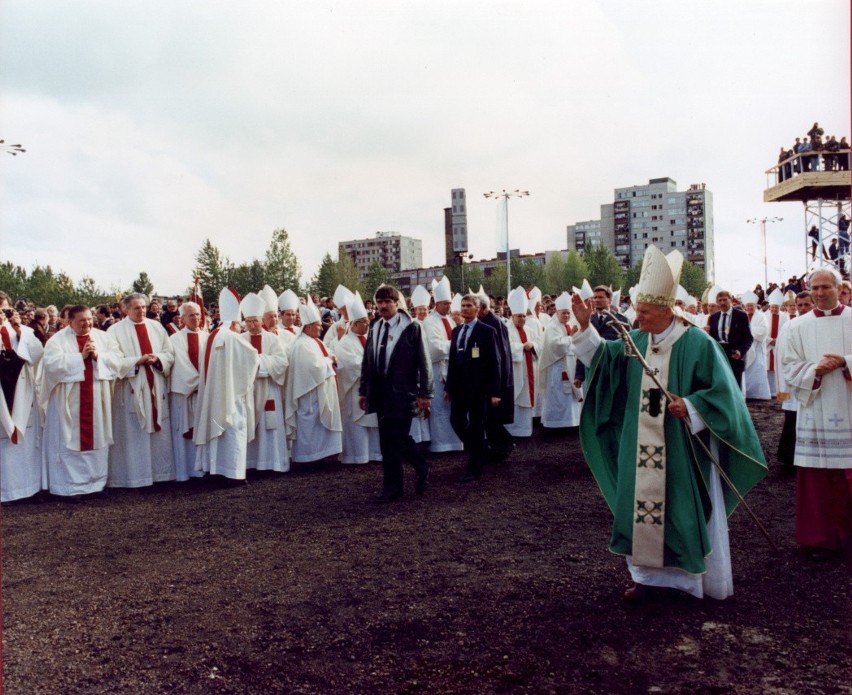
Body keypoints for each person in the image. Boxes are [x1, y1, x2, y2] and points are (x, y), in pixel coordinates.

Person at [571, 245, 767, 601]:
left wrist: (692, 406)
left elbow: (725, 395)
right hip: (638, 443)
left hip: (681, 446)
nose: (638, 317)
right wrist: (586, 329)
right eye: (637, 311)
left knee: (679, 509)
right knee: (638, 509)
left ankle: (684, 584)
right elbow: (605, 359)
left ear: (665, 309)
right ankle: (646, 579)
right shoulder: (636, 340)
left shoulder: (698, 343)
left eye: (644, 312)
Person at [780, 268, 852, 560]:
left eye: (826, 287)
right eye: (815, 288)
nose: (820, 293)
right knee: (816, 477)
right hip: (815, 407)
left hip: (847, 406)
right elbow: (787, 364)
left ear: (838, 288)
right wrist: (813, 370)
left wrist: (845, 362)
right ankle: (819, 539)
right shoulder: (797, 326)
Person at [358, 285, 432, 501]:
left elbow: (424, 361)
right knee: (386, 443)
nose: (383, 306)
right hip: (380, 393)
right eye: (379, 302)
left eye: (387, 302)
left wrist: (425, 393)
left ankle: (422, 466)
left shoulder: (411, 327)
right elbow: (367, 360)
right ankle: (392, 488)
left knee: (398, 437)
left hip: (403, 392)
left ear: (397, 303)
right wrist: (364, 390)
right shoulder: (375, 326)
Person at [40, 305, 120, 499]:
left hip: (96, 397)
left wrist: (98, 357)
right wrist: (80, 358)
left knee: (97, 438)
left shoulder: (102, 337)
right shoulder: (57, 340)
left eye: (89, 319)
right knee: (69, 439)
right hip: (68, 400)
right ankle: (70, 487)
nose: (87, 324)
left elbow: (117, 359)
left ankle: (96, 484)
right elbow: (50, 365)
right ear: (69, 321)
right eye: (82, 321)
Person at [108, 293, 175, 488]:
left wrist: (158, 359)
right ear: (125, 310)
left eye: (144, 307)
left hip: (155, 383)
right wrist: (137, 361)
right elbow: (113, 359)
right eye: (137, 308)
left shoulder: (156, 327)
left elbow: (169, 353)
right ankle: (135, 477)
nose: (142, 311)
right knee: (133, 431)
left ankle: (160, 474)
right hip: (132, 386)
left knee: (158, 430)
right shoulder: (115, 331)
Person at [194, 288, 260, 481]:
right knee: (233, 428)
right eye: (240, 323)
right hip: (232, 394)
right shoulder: (232, 337)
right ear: (235, 322)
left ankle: (214, 469)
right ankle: (232, 473)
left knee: (216, 428)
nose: (241, 327)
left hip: (214, 393)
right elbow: (252, 359)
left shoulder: (212, 335)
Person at [445, 293, 501, 482]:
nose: (465, 309)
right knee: (456, 420)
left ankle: (474, 469)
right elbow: (452, 362)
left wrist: (494, 391)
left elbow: (495, 362)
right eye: (463, 305)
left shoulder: (487, 331)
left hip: (479, 389)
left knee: (477, 426)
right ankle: (480, 450)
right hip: (459, 388)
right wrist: (449, 387)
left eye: (469, 305)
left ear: (477, 309)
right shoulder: (456, 331)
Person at [285, 297, 343, 464]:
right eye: (318, 326)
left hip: (320, 391)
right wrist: (330, 361)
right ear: (309, 326)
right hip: (309, 394)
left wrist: (330, 357)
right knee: (311, 426)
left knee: (320, 427)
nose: (320, 329)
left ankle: (324, 455)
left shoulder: (314, 341)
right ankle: (309, 458)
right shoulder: (302, 344)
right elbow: (313, 368)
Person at [240, 292, 290, 473]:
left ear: (262, 320)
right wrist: (257, 364)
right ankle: (251, 463)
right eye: (248, 321)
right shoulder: (241, 339)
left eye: (255, 321)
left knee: (270, 425)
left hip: (269, 387)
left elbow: (282, 362)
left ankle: (272, 462)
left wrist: (259, 362)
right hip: (249, 388)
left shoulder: (272, 339)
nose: (252, 325)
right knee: (251, 420)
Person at [0, 306, 45, 502]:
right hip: (4, 391)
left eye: (3, 312)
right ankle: (7, 492)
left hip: (21, 390)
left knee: (24, 440)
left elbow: (36, 354)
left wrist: (20, 333)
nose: (3, 315)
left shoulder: (19, 332)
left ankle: (27, 489)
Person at [335, 292, 382, 464]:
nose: (366, 323)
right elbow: (350, 365)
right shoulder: (345, 342)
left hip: (373, 387)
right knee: (358, 421)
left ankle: (376, 454)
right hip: (356, 388)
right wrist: (372, 368)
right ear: (353, 324)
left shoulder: (371, 338)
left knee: (373, 419)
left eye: (367, 320)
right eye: (362, 321)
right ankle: (357, 455)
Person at [421, 276, 463, 453]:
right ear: (436, 303)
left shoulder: (450, 320)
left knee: (452, 406)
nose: (448, 306)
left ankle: (455, 442)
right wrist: (456, 345)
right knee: (439, 406)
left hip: (451, 368)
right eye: (445, 303)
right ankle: (440, 445)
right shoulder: (430, 322)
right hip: (438, 369)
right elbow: (435, 348)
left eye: (449, 303)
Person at [168, 301, 207, 482]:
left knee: (204, 429)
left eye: (198, 314)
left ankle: (204, 468)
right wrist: (199, 382)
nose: (195, 318)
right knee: (184, 431)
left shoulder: (208, 337)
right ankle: (185, 472)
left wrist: (206, 384)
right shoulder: (174, 339)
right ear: (182, 318)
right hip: (185, 394)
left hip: (205, 394)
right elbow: (181, 365)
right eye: (191, 315)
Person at [774, 291, 813, 470]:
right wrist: (783, 389)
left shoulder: (817, 324)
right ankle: (788, 458)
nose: (803, 309)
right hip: (793, 380)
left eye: (807, 305)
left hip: (813, 379)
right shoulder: (789, 326)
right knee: (793, 419)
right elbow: (781, 355)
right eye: (800, 305)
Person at [476, 289, 514, 463]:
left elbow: (499, 356)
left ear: (483, 307)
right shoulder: (487, 321)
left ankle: (503, 446)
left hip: (495, 380)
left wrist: (497, 387)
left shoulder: (493, 323)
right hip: (489, 379)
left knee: (492, 418)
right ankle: (499, 446)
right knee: (489, 418)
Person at [538, 292, 582, 429]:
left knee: (570, 396)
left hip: (570, 364)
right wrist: (571, 336)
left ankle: (572, 422)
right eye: (564, 313)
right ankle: (556, 423)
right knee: (558, 395)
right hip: (557, 366)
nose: (567, 316)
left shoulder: (568, 325)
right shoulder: (552, 327)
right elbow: (556, 345)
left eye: (568, 313)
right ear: (557, 312)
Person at [504, 287, 541, 438]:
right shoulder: (506, 329)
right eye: (519, 316)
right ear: (512, 316)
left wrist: (533, 346)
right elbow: (505, 348)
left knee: (526, 396)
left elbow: (539, 342)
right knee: (515, 398)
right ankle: (512, 430)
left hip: (529, 368)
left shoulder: (530, 328)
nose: (522, 319)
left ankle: (525, 430)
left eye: (524, 316)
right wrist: (521, 347)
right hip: (515, 369)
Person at [707, 290, 752, 390]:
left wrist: (740, 351)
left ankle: (737, 405)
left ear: (730, 300)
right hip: (719, 355)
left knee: (735, 387)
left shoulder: (741, 316)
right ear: (717, 302)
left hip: (734, 355)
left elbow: (748, 338)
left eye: (725, 300)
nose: (722, 303)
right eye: (720, 300)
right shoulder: (713, 317)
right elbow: (712, 338)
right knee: (720, 385)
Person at [741, 292, 771, 400]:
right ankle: (747, 393)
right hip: (745, 348)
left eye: (751, 305)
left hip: (757, 347)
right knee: (746, 371)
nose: (749, 307)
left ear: (755, 306)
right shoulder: (742, 315)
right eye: (747, 305)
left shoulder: (761, 316)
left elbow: (763, 331)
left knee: (757, 370)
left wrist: (747, 331)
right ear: (744, 306)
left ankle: (759, 394)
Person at [764, 288, 790, 397]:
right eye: (772, 307)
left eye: (776, 307)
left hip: (779, 345)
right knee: (767, 369)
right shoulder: (764, 315)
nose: (774, 309)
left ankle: (780, 392)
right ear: (770, 306)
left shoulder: (784, 316)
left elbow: (787, 330)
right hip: (767, 345)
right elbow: (762, 330)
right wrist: (770, 340)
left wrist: (778, 341)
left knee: (778, 369)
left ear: (780, 307)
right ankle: (769, 391)